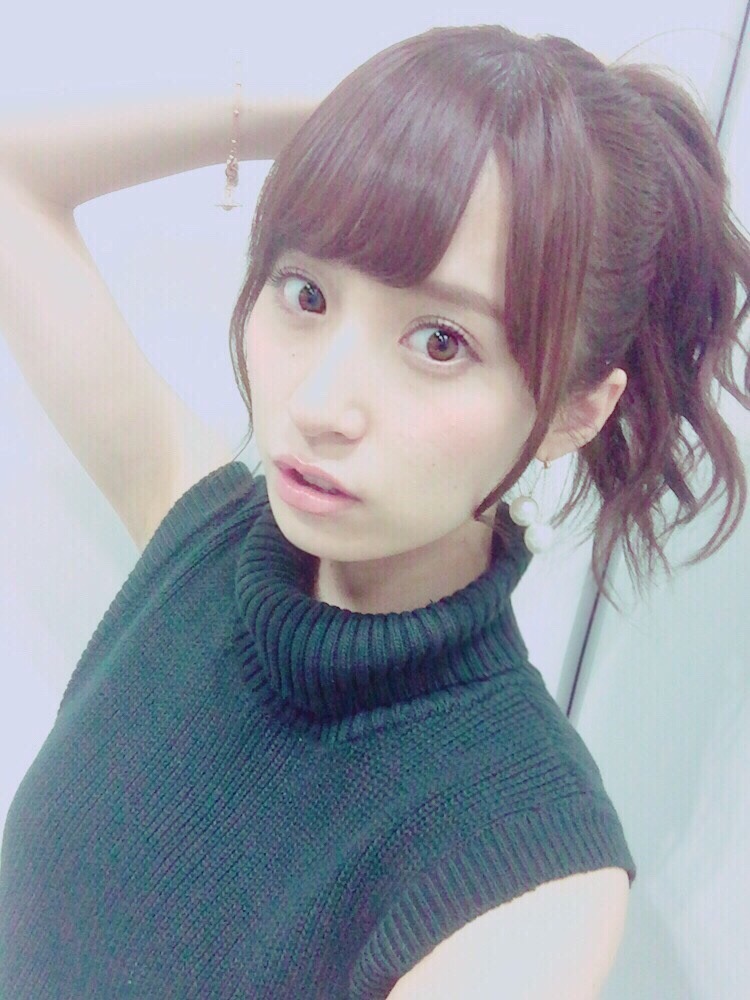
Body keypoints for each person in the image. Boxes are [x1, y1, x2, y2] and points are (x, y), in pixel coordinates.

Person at [0, 22, 748, 1000]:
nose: (320, 405)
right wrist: (346, 130)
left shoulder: (529, 885)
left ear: (576, 410)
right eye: (306, 292)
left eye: (440, 342)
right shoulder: (201, 539)